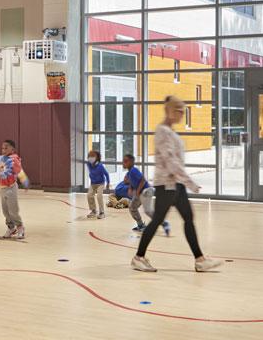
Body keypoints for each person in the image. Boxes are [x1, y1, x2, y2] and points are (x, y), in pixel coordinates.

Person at [131, 96, 222, 273]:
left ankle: (200, 259)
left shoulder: (170, 131)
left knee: (188, 218)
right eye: (179, 111)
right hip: (167, 184)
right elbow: (171, 161)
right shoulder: (162, 131)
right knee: (157, 219)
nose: (182, 114)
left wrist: (184, 182)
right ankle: (139, 257)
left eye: (183, 111)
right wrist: (190, 182)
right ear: (170, 111)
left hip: (176, 184)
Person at [0, 139, 27, 239]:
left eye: (6, 147)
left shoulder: (14, 159)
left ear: (12, 149)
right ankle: (11, 227)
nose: (3, 149)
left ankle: (20, 227)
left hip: (11, 188)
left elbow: (19, 171)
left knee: (13, 211)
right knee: (5, 211)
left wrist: (25, 182)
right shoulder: (3, 158)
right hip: (3, 189)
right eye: (2, 148)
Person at [122, 153, 169, 236]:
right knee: (132, 207)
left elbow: (143, 179)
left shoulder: (134, 170)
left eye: (126, 161)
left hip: (146, 191)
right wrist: (130, 188)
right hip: (140, 193)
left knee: (148, 211)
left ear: (131, 162)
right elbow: (132, 183)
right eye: (123, 161)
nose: (123, 163)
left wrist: (137, 191)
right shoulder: (129, 173)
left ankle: (164, 223)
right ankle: (140, 225)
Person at [85, 150, 109, 219]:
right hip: (93, 183)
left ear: (97, 158)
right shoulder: (88, 164)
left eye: (93, 156)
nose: (91, 157)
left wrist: (108, 183)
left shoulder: (100, 166)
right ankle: (93, 211)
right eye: (89, 156)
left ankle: (102, 212)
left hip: (100, 184)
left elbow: (106, 174)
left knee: (99, 196)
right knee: (89, 195)